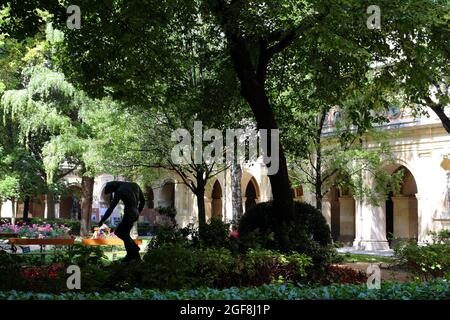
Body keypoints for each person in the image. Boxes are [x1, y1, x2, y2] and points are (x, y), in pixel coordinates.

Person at [98, 181, 145, 262]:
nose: (114, 192)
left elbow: (111, 208)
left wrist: (102, 220)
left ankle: (132, 252)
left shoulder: (120, 190)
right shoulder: (135, 185)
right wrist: (138, 212)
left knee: (120, 232)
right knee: (124, 233)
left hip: (129, 213)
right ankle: (133, 253)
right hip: (135, 212)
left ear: (114, 186)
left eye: (113, 190)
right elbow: (143, 201)